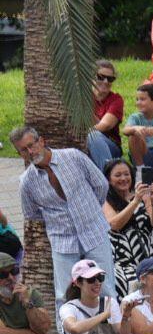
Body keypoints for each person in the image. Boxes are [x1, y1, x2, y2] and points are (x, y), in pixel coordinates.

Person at [11, 126, 114, 304]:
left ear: (41, 141)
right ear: (20, 154)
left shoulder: (73, 156)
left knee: (105, 288)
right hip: (62, 240)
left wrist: (89, 211)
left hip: (94, 231)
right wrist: (58, 221)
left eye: (32, 145)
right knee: (64, 295)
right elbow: (32, 213)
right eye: (23, 150)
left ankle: (112, 330)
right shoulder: (26, 182)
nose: (30, 151)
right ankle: (71, 331)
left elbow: (101, 185)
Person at [102, 159, 153, 299]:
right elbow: (115, 224)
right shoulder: (105, 200)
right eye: (118, 175)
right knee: (128, 288)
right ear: (108, 179)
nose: (123, 178)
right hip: (123, 261)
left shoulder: (144, 195)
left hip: (147, 257)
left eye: (126, 174)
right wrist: (135, 201)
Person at [0, 252, 50, 334]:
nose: (10, 278)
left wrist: (28, 303)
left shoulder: (31, 294)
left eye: (14, 271)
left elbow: (43, 328)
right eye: (3, 274)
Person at [86, 60, 125, 170]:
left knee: (93, 136)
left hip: (110, 146)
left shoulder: (116, 100)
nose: (106, 81)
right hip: (85, 142)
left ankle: (108, 177)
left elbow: (105, 125)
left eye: (110, 79)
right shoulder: (84, 96)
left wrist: (82, 136)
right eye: (101, 77)